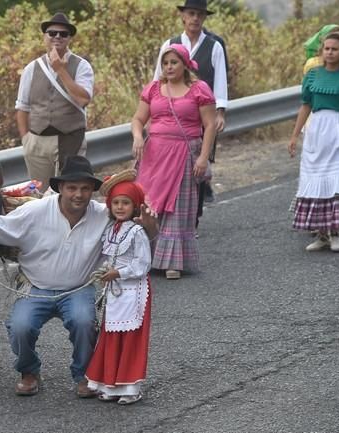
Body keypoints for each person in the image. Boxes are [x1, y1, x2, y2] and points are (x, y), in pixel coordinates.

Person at [0, 156, 157, 398]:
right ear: (60, 188)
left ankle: (84, 375)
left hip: (78, 288)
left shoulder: (105, 215)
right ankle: (29, 372)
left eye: (85, 188)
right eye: (72, 187)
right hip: (35, 286)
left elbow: (136, 235)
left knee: (84, 322)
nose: (79, 194)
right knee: (20, 326)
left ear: (92, 191)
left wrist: (150, 227)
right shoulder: (35, 210)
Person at [132, 44, 216, 279]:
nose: (169, 67)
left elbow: (209, 125)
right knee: (148, 204)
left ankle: (172, 262)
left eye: (174, 62)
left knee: (178, 206)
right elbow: (138, 119)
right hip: (154, 153)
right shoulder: (153, 89)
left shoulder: (199, 89)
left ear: (185, 64)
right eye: (165, 63)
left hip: (185, 151)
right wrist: (138, 137)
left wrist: (203, 157)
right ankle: (147, 257)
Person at [288, 32, 339, 252]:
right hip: (318, 130)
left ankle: (336, 231)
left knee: (337, 180)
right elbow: (306, 105)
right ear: (321, 51)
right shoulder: (312, 76)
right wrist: (295, 135)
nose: (330, 52)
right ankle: (322, 234)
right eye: (327, 48)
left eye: (335, 49)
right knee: (316, 178)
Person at [152, 0, 228, 227]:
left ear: (204, 18)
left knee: (198, 167)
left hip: (203, 114)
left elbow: (221, 80)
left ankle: (192, 218)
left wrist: (220, 112)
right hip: (173, 115)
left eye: (200, 15)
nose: (195, 18)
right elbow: (158, 79)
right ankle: (169, 215)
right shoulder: (170, 44)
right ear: (183, 16)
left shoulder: (214, 46)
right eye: (191, 13)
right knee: (171, 168)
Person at [85, 170, 152, 405]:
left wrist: (118, 273)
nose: (120, 207)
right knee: (111, 336)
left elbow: (142, 264)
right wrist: (105, 272)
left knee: (130, 338)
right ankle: (109, 384)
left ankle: (130, 387)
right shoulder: (111, 230)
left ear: (135, 206)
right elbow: (105, 258)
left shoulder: (136, 232)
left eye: (126, 203)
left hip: (133, 290)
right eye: (116, 203)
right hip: (115, 291)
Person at [15, 12, 94, 192]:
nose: (57, 37)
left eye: (63, 34)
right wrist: (26, 139)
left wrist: (61, 71)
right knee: (39, 194)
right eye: (52, 33)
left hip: (70, 138)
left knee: (67, 192)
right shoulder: (31, 68)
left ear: (69, 38)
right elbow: (22, 106)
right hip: (37, 140)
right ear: (45, 36)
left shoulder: (82, 66)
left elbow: (83, 99)